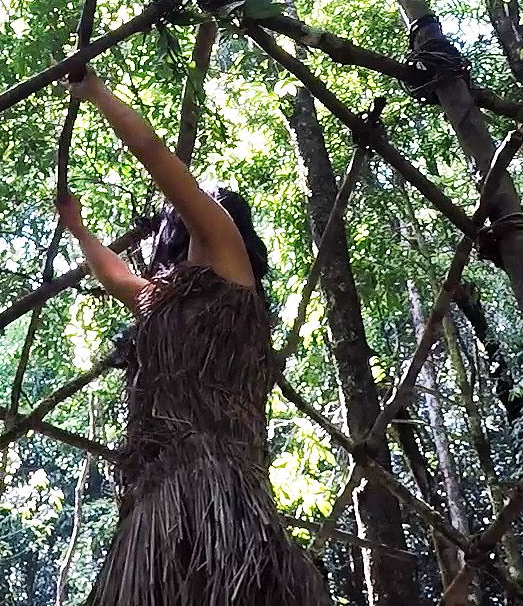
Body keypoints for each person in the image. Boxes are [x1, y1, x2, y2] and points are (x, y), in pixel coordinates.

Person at [54, 66, 330, 606]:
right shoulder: (161, 303)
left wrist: (97, 92)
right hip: (156, 488)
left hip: (216, 479)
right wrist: (79, 228)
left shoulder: (226, 262)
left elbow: (156, 155)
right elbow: (115, 275)